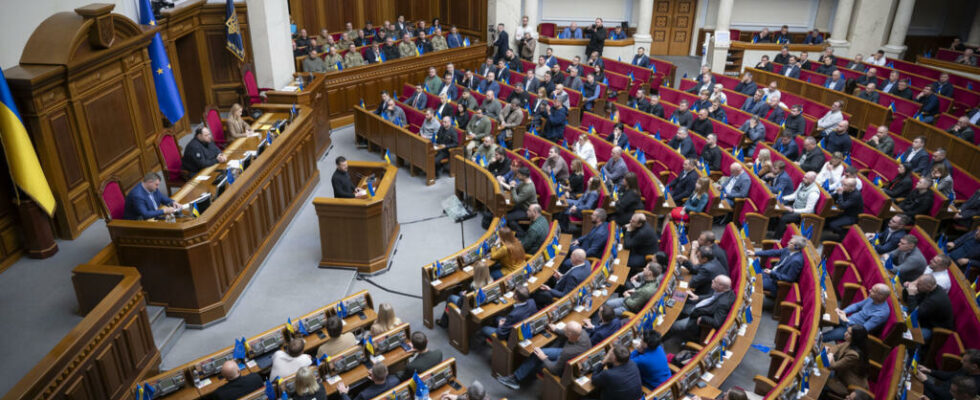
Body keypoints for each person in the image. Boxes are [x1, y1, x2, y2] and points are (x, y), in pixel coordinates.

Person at [495, 321, 591, 389]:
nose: (564, 330)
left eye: (565, 330)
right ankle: (520, 375)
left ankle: (515, 380)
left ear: (570, 334)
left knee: (537, 354)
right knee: (542, 351)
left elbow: (554, 369)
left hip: (566, 367)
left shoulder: (568, 352)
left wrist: (543, 358)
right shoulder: (582, 332)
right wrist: (556, 329)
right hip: (574, 355)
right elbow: (568, 333)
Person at [668, 275, 734, 343]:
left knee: (673, 326)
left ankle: (661, 340)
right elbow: (712, 297)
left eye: (715, 281)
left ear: (721, 286)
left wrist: (703, 319)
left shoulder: (723, 303)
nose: (712, 281)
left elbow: (717, 323)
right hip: (697, 308)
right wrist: (698, 297)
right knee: (677, 305)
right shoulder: (724, 290)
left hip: (696, 318)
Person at [822, 284, 891, 342]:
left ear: (881, 296)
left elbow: (863, 329)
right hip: (847, 320)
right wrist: (844, 311)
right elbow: (857, 306)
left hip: (851, 331)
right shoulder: (872, 298)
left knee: (824, 337)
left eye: (873, 291)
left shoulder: (881, 313)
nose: (869, 291)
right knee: (825, 315)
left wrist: (847, 320)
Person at [823, 325, 871, 398]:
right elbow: (837, 347)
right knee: (820, 365)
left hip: (849, 385)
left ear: (855, 337)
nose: (845, 334)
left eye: (849, 333)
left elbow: (833, 366)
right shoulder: (850, 342)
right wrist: (830, 351)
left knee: (821, 377)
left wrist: (829, 354)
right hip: (842, 372)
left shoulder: (854, 355)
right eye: (846, 331)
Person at [915, 349, 980, 400]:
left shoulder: (975, 385)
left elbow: (947, 396)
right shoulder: (967, 369)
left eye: (965, 361)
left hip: (939, 395)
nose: (961, 361)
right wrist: (929, 371)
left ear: (974, 366)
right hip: (937, 390)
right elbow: (951, 375)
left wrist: (925, 381)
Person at [905, 274, 954, 341]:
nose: (916, 286)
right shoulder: (930, 288)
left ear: (928, 287)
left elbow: (914, 315)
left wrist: (911, 295)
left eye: (919, 284)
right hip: (925, 318)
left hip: (934, 329)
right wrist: (909, 289)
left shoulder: (934, 300)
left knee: (907, 333)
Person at [500, 167, 537, 232]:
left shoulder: (528, 188)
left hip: (526, 210)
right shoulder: (523, 182)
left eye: (519, 175)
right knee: (504, 211)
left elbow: (516, 200)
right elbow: (517, 188)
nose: (517, 176)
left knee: (507, 217)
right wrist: (513, 185)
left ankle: (521, 234)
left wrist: (512, 188)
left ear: (524, 176)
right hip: (520, 205)